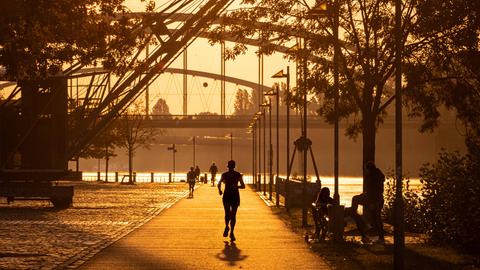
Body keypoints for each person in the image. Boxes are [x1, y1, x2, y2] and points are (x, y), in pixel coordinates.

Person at [349, 161, 385, 244]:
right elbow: (371, 191)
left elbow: (375, 191)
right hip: (373, 198)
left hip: (374, 199)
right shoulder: (376, 176)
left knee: (376, 218)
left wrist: (373, 203)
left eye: (366, 169)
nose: (365, 171)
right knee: (375, 218)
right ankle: (357, 216)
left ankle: (353, 214)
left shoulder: (374, 177)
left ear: (368, 169)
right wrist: (364, 195)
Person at [218, 160, 245, 241]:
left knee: (227, 214)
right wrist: (236, 187)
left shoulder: (224, 175)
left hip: (226, 196)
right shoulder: (238, 175)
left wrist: (219, 190)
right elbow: (243, 186)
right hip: (235, 196)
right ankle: (232, 232)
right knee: (233, 215)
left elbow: (219, 183)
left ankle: (227, 227)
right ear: (234, 166)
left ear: (228, 166)